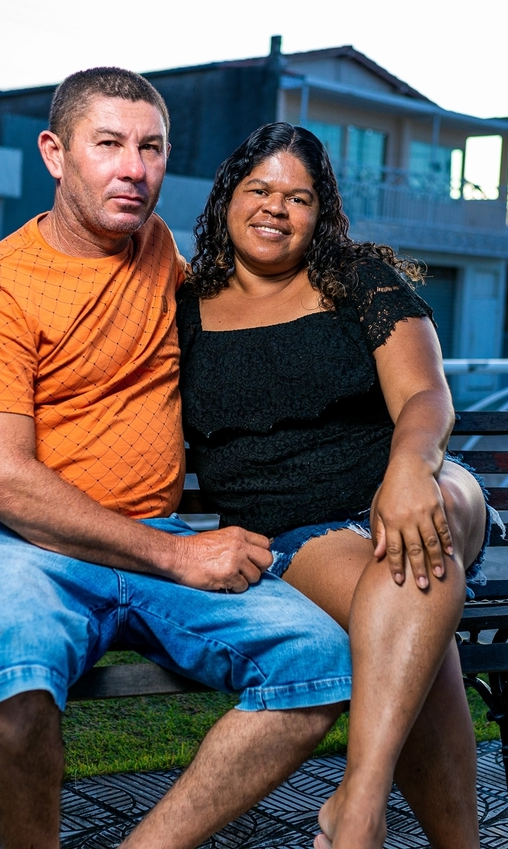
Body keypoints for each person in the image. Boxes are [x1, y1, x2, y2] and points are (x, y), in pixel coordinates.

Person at [0, 69, 352, 849]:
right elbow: (5, 485)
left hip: (151, 539)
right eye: (109, 145)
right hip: (21, 550)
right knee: (13, 702)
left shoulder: (162, 257)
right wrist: (179, 556)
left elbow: (252, 335)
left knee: (317, 660)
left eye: (151, 147)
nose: (134, 168)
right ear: (55, 153)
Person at [176, 122, 492, 849]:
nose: (276, 208)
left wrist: (408, 471)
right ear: (228, 198)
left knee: (427, 527)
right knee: (419, 591)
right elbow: (88, 361)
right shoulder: (184, 307)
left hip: (417, 484)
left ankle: (357, 806)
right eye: (260, 189)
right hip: (302, 531)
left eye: (299, 196)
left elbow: (426, 397)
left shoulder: (356, 279)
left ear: (322, 214)